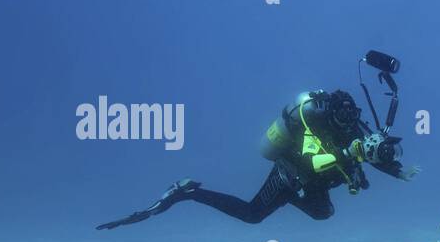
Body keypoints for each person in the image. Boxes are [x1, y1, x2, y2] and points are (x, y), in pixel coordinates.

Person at [97, 59, 415, 229]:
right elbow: (315, 162)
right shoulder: (313, 124)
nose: (348, 122)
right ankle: (187, 192)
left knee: (324, 214)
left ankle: (292, 198)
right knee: (252, 215)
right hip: (291, 174)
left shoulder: (353, 125)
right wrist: (347, 153)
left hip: (314, 181)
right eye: (342, 117)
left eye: (351, 117)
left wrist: (397, 171)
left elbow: (372, 151)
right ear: (332, 114)